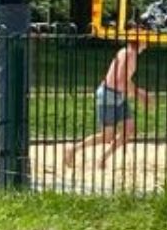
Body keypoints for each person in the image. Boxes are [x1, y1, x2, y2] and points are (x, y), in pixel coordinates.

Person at [64, 40, 152, 169]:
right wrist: (140, 94)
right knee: (107, 136)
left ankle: (103, 159)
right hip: (108, 95)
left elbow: (123, 81)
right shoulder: (128, 53)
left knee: (129, 129)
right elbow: (121, 79)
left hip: (118, 95)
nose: (148, 43)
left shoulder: (130, 53)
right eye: (145, 40)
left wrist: (138, 94)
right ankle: (73, 149)